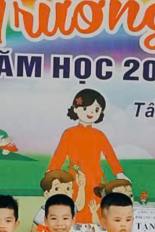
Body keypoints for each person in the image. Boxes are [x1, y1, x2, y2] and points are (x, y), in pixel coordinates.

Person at [47, 87, 125, 224]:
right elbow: (60, 154)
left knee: (95, 206)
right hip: (74, 177)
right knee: (73, 205)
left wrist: (119, 173)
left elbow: (110, 155)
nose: (91, 113)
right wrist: (51, 171)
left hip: (96, 178)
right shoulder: (69, 133)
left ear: (101, 112)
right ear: (76, 109)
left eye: (96, 109)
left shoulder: (99, 135)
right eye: (85, 108)